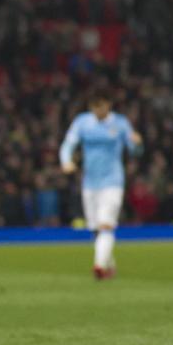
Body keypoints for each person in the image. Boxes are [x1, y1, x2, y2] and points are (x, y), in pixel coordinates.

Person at [59, 88, 143, 279]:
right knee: (96, 229)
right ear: (91, 107)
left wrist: (138, 144)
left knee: (106, 225)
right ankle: (109, 265)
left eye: (102, 105)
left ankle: (99, 267)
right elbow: (68, 144)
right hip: (90, 182)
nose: (99, 110)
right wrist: (66, 161)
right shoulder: (82, 122)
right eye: (95, 106)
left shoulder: (120, 123)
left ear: (108, 105)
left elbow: (134, 151)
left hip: (113, 181)